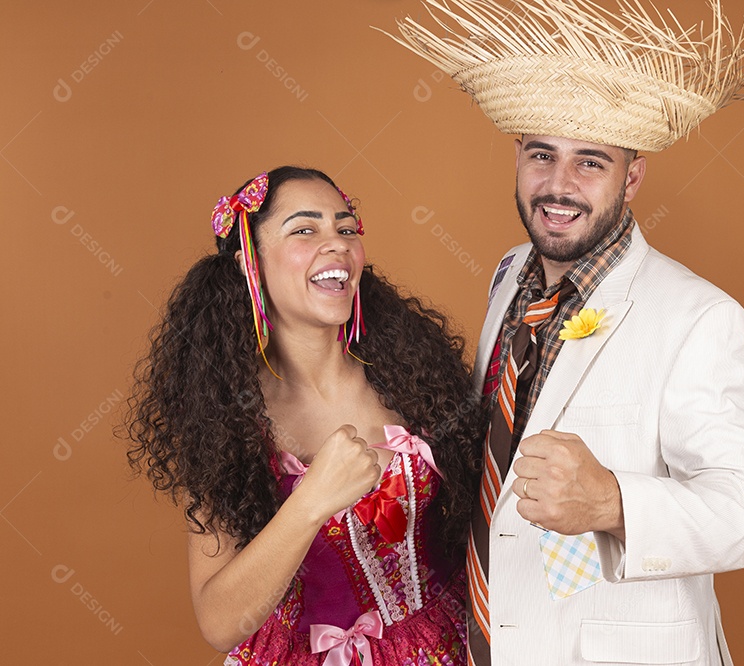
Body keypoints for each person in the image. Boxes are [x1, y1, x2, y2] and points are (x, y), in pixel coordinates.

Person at [386, 1, 744, 663]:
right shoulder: (511, 275)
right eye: (543, 155)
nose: (558, 186)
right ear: (517, 156)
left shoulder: (698, 318)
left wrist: (611, 501)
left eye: (590, 163)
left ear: (632, 178)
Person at [125, 166, 483, 665]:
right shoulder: (225, 418)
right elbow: (219, 623)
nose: (336, 244)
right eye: (304, 229)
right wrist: (310, 501)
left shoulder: (417, 377)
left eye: (346, 228)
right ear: (252, 262)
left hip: (446, 645)